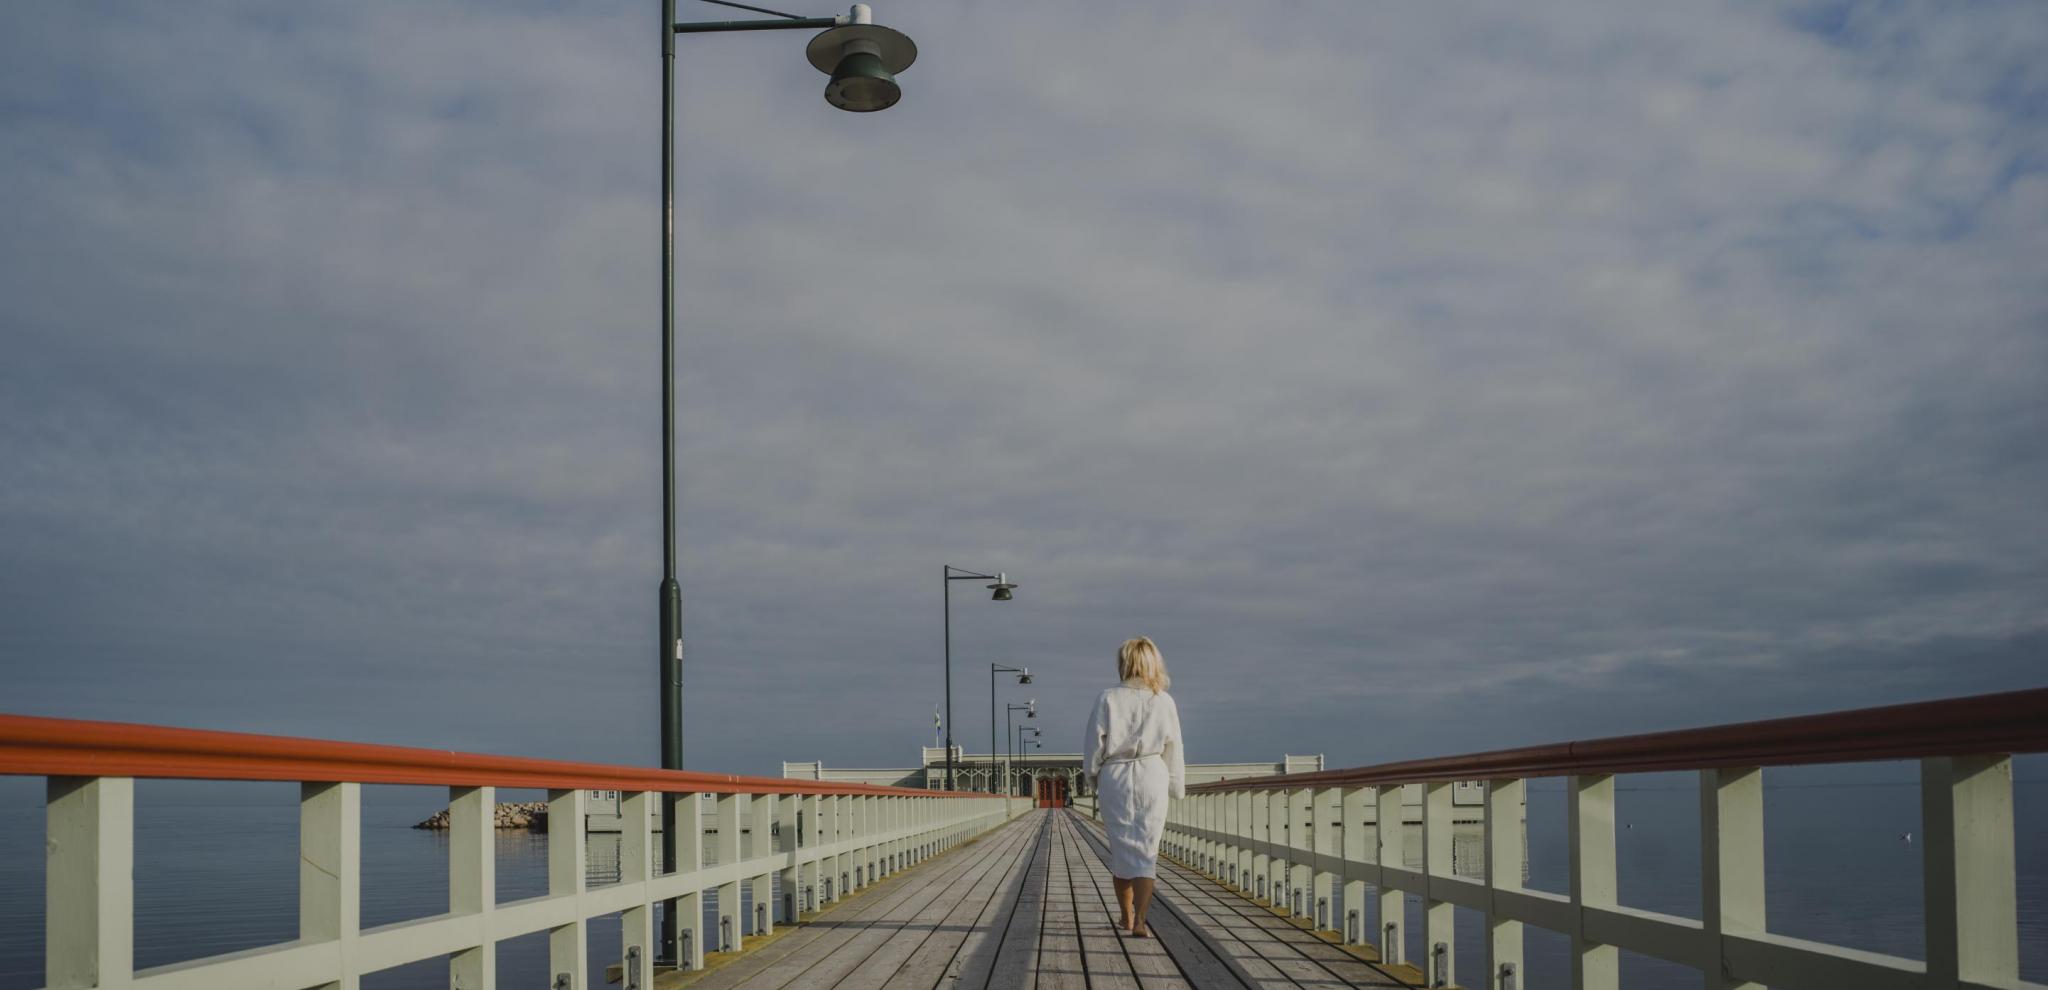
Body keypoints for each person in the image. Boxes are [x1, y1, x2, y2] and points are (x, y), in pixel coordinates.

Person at [1082, 636, 1185, 938]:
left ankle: (1125, 917)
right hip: (1153, 772)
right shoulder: (1164, 701)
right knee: (1146, 849)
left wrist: (1091, 776)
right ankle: (1140, 921)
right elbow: (1174, 747)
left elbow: (1094, 743)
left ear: (1124, 663)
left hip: (1116, 774)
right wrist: (1175, 784)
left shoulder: (1107, 698)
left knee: (1122, 848)